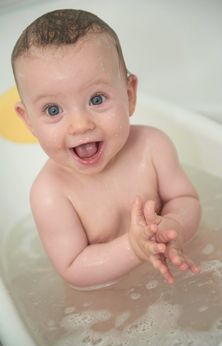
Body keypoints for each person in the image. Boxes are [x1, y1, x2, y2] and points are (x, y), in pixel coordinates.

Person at [11, 9, 201, 289]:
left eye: (97, 99)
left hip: (176, 266)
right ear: (29, 122)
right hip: (112, 300)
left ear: (129, 95)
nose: (80, 125)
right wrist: (133, 248)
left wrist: (174, 226)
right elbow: (73, 267)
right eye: (53, 109)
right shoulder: (50, 194)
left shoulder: (153, 147)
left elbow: (186, 199)